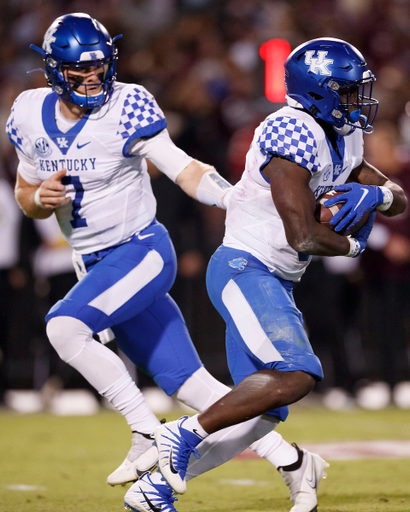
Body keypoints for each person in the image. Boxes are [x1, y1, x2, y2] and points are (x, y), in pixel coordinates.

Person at [7, 13, 326, 512]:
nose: (93, 79)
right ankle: (292, 462)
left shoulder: (128, 104)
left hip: (140, 251)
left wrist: (232, 198)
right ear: (53, 70)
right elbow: (25, 192)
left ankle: (146, 432)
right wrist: (40, 197)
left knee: (64, 328)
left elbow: (182, 167)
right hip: (91, 263)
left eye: (99, 67)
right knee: (192, 385)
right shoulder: (27, 112)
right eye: (80, 71)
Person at [143, 37, 407, 509]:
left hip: (274, 278)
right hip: (246, 268)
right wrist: (354, 244)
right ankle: (182, 433)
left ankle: (153, 490)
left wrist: (380, 196)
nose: (358, 101)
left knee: (261, 412)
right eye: (347, 91)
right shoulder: (290, 133)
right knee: (300, 373)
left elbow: (395, 192)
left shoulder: (342, 132)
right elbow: (303, 236)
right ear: (318, 93)